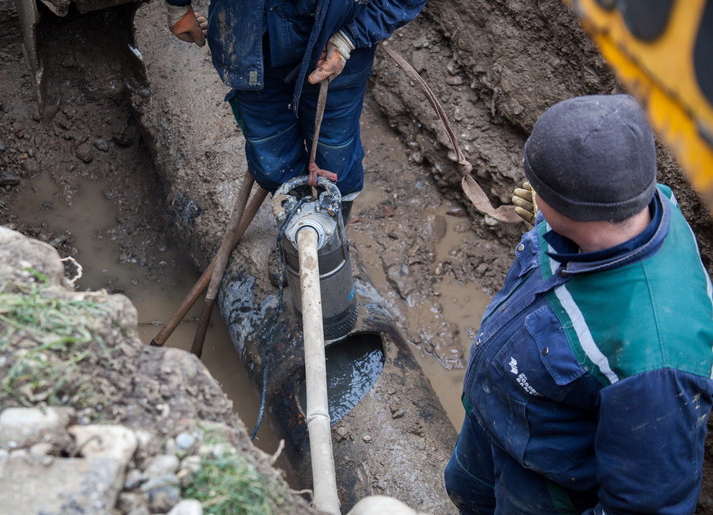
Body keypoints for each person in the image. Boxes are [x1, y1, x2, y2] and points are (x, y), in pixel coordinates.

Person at [444, 94, 713, 514]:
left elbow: (645, 505)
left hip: (548, 489)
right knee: (467, 492)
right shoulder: (631, 202)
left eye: (539, 186)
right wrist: (549, 217)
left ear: (576, 209)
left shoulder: (656, 359)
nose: (530, 189)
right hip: (497, 422)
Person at [164, 0, 428, 215]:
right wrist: (178, 6)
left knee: (336, 158)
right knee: (272, 157)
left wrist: (351, 37)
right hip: (247, 39)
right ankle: (293, 231)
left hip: (337, 35)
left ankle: (329, 245)